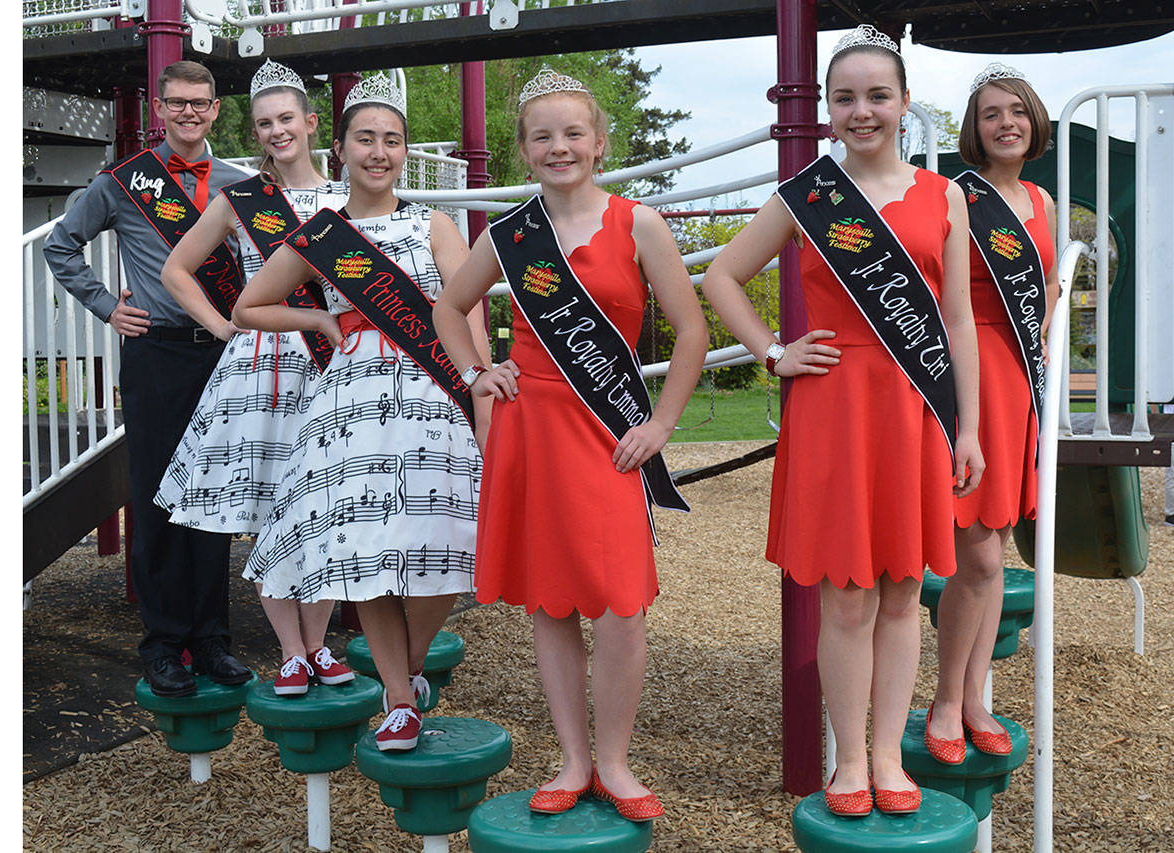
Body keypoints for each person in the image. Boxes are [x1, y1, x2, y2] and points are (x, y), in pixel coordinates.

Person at [702, 25, 982, 816]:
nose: (863, 111)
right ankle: (850, 759)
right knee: (847, 597)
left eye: (878, 95)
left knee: (902, 590)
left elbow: (957, 321)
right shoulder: (807, 195)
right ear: (828, 108)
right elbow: (721, 275)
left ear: (904, 102)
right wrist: (772, 350)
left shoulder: (944, 196)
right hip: (835, 408)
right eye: (845, 97)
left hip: (915, 408)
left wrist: (967, 428)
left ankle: (889, 755)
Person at [433, 67, 708, 821]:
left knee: (620, 605)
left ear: (599, 142)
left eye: (573, 133)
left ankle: (615, 761)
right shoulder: (512, 235)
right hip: (533, 432)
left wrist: (661, 424)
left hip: (611, 431)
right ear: (525, 150)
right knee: (551, 602)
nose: (560, 147)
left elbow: (691, 332)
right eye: (543, 136)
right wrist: (477, 372)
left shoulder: (639, 224)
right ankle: (573, 760)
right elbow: (449, 308)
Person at [232, 73, 491, 747]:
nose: (380, 152)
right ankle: (401, 699)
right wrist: (319, 317)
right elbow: (248, 306)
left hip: (433, 391)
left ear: (405, 151)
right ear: (340, 149)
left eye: (393, 141)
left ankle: (408, 666)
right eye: (366, 139)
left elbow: (468, 311)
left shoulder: (433, 223)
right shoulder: (322, 234)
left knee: (446, 539)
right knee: (363, 553)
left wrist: (479, 382)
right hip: (352, 403)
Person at [44, 60, 253, 697]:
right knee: (159, 495)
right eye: (177, 103)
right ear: (160, 109)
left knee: (212, 495)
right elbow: (60, 245)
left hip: (223, 353)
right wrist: (108, 306)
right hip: (156, 353)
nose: (189, 113)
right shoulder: (124, 183)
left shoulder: (240, 183)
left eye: (200, 103)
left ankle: (211, 639)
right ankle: (163, 644)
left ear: (215, 109)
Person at [155, 59, 354, 697]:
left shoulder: (348, 198)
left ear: (311, 122)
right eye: (264, 123)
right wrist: (222, 326)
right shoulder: (240, 200)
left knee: (324, 506)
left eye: (286, 119)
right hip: (262, 366)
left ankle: (319, 645)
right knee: (270, 507)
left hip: (331, 361)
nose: (276, 131)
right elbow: (176, 269)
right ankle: (291, 651)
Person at [926, 63, 1057, 763]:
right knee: (976, 554)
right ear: (975, 131)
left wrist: (1042, 341)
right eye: (991, 114)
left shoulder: (1041, 200)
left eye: (1017, 111)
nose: (1007, 123)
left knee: (993, 552)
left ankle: (974, 697)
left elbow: (1048, 288)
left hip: (1019, 385)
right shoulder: (956, 196)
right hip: (967, 380)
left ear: (1034, 120)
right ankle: (949, 700)